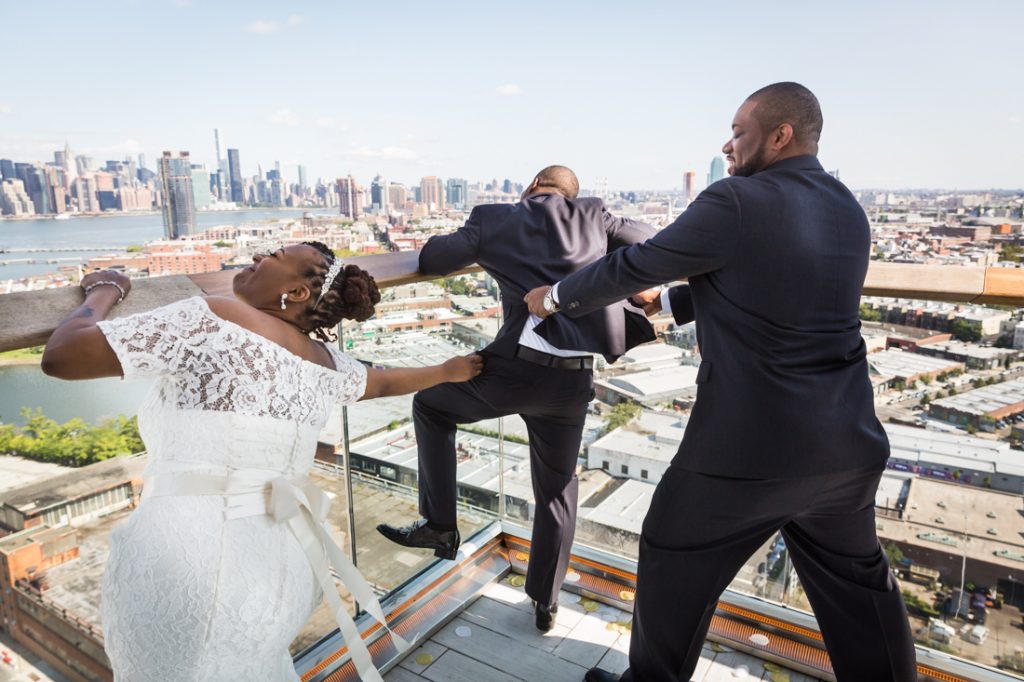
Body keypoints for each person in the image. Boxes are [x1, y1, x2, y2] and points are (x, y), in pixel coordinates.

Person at [525, 84, 917, 681]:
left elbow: (635, 263)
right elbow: (778, 287)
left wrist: (552, 297)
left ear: (780, 134)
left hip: (750, 449)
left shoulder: (736, 199)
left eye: (738, 130)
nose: (726, 144)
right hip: (849, 442)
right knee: (859, 589)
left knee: (671, 554)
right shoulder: (846, 206)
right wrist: (675, 303)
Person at [41, 242, 482, 682]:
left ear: (297, 292)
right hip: (279, 565)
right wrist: (447, 370)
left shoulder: (214, 316)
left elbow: (62, 356)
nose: (256, 256)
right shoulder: (326, 363)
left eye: (272, 254)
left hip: (184, 560)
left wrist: (102, 290)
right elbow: (383, 383)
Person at [376, 166, 657, 631]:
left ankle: (441, 525)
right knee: (556, 492)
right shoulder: (596, 216)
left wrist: (487, 246)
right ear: (573, 196)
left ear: (530, 188)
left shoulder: (495, 217)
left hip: (509, 372)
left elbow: (435, 257)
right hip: (572, 382)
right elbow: (651, 240)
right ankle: (545, 602)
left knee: (431, 406)